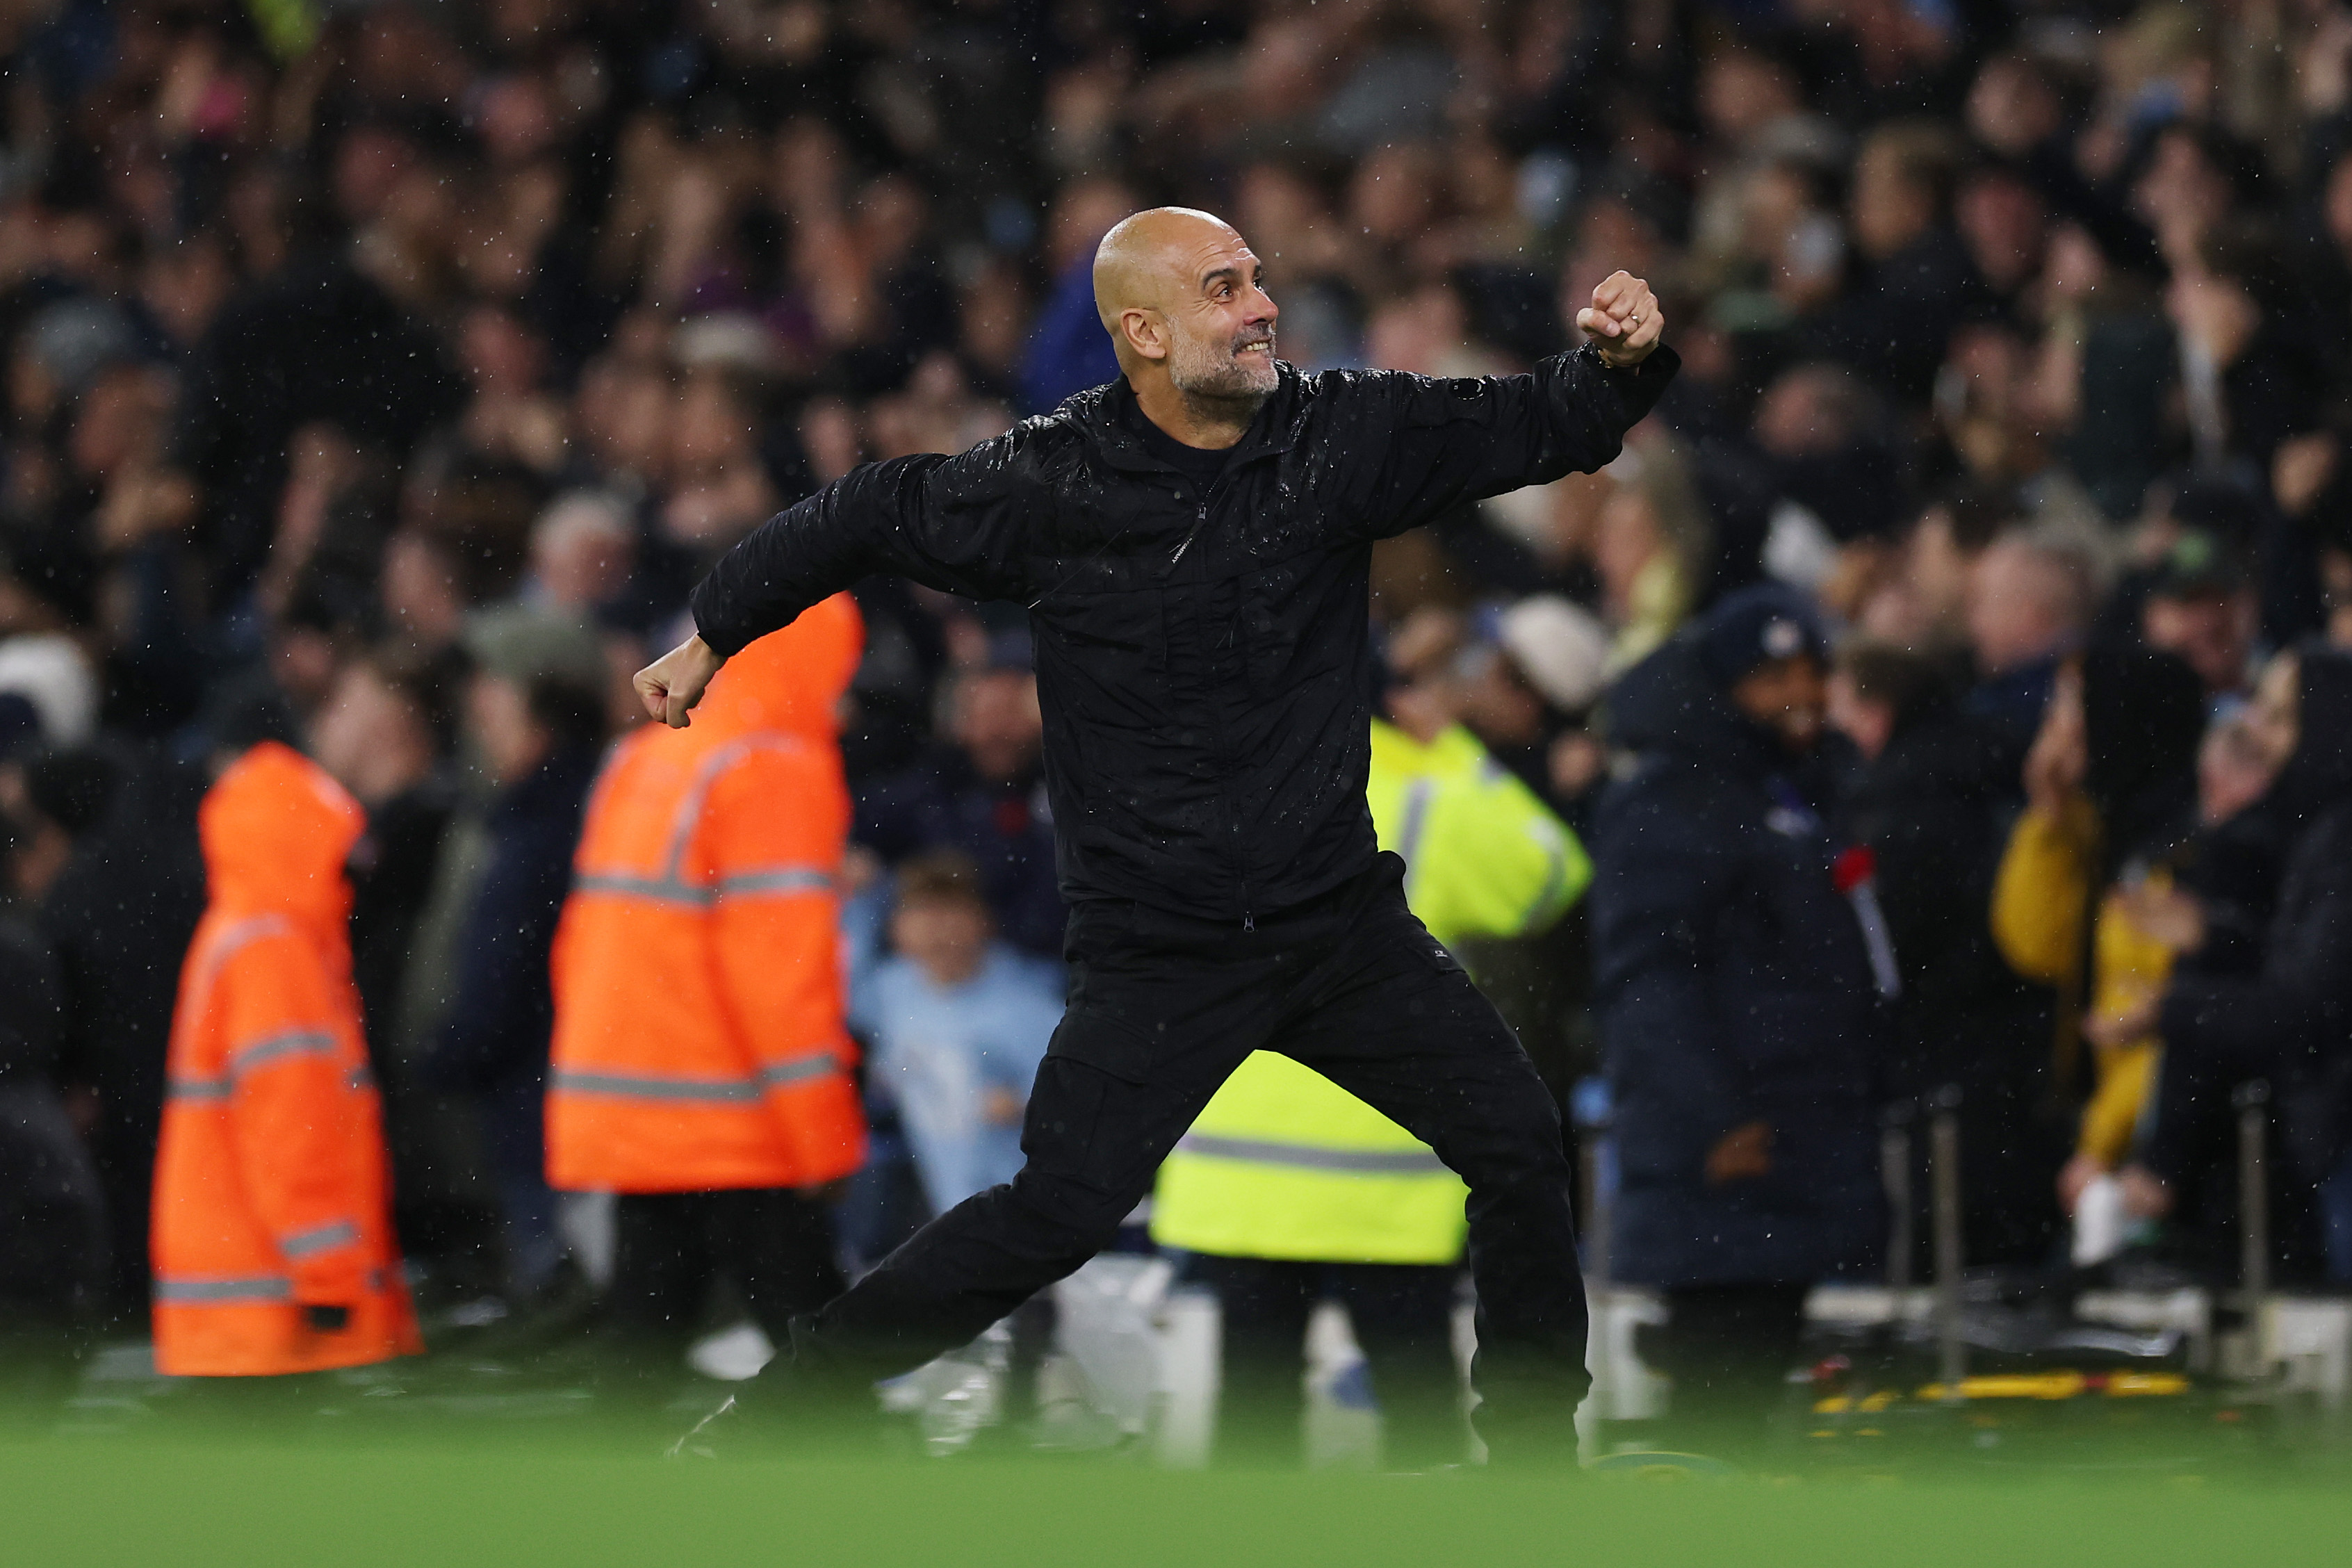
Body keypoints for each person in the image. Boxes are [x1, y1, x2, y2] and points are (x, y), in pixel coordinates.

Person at [636, 206, 1676, 1459]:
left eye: (1256, 281)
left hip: (1336, 926)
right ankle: (776, 1416)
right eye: (1222, 288)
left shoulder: (1337, 432)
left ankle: (1526, 1473)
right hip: (1160, 950)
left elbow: (1533, 424)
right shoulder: (1048, 479)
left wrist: (1615, 364)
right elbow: (861, 511)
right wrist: (711, 634)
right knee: (1052, 1214)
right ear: (1138, 331)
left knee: (1516, 1145)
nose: (1261, 307)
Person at [1150, 656, 1587, 1469]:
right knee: (1421, 1427)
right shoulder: (1429, 799)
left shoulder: (1208, 788)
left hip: (1242, 1181)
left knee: (1250, 1429)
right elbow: (1550, 877)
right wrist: (1455, 750)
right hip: (1388, 1183)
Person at [547, 593, 867, 1380]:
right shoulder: (772, 767)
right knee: (825, 1367)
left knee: (640, 1364)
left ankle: (592, 1508)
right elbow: (779, 981)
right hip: (737, 1127)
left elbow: (585, 942)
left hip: (639, 1117)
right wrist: (822, 1138)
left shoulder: (652, 756)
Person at [1587, 585, 1883, 1424]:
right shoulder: (1672, 799)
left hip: (1793, 1151)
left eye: (1812, 671)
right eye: (1773, 675)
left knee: (1749, 1401)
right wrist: (1713, 1119)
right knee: (1721, 1409)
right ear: (1724, 690)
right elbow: (1649, 980)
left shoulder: (1792, 793)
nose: (1802, 694)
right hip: (1727, 1160)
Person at [149, 739, 421, 1378]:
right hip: (280, 1309)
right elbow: (291, 1127)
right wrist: (329, 1278)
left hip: (238, 1299)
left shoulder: (239, 933)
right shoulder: (280, 953)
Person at [1988, 648, 2206, 1234]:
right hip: (2114, 1137)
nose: (2055, 730)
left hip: (2161, 1145)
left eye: (2068, 709)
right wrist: (2049, 818)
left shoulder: (2181, 850)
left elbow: (2161, 1017)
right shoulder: (2104, 828)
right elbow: (2035, 945)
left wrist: (2102, 1143)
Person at [851, 851, 1061, 1218]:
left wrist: (1031, 1104)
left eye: (951, 911)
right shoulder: (890, 992)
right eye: (922, 912)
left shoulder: (1027, 1004)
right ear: (898, 925)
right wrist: (859, 898)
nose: (937, 929)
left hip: (1024, 1213)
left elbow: (1087, 1099)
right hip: (944, 1208)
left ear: (982, 920)